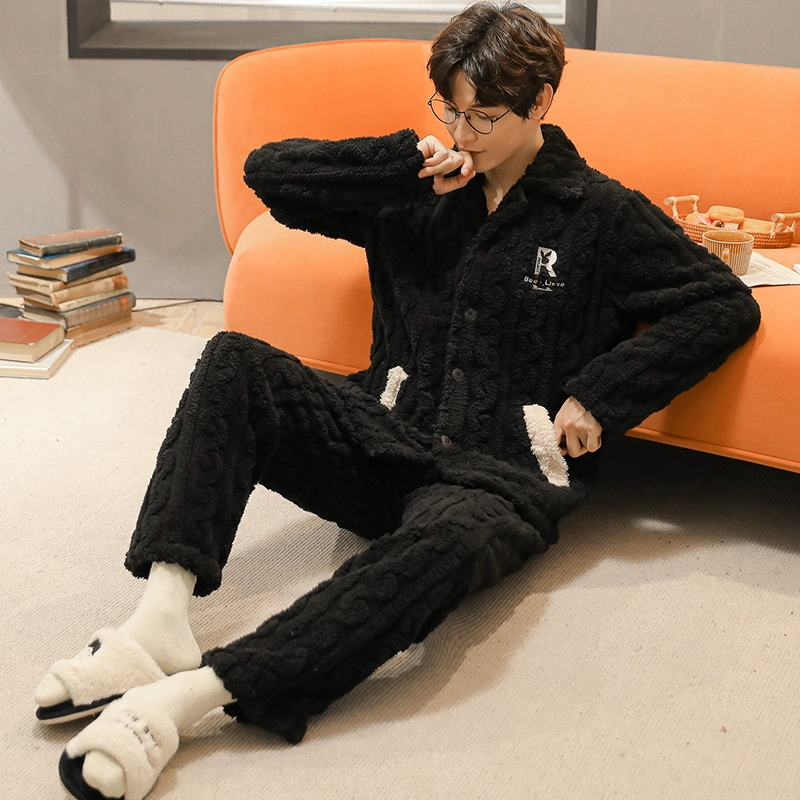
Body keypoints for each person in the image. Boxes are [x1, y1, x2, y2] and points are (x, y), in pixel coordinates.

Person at [37, 4, 760, 799]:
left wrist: (600, 395)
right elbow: (269, 175)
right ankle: (158, 624)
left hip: (495, 479)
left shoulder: (601, 215)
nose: (464, 131)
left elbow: (720, 303)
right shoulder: (418, 187)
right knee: (233, 361)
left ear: (541, 102)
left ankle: (190, 700)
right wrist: (397, 166)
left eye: (484, 116)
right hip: (381, 433)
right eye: (450, 109)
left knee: (443, 550)